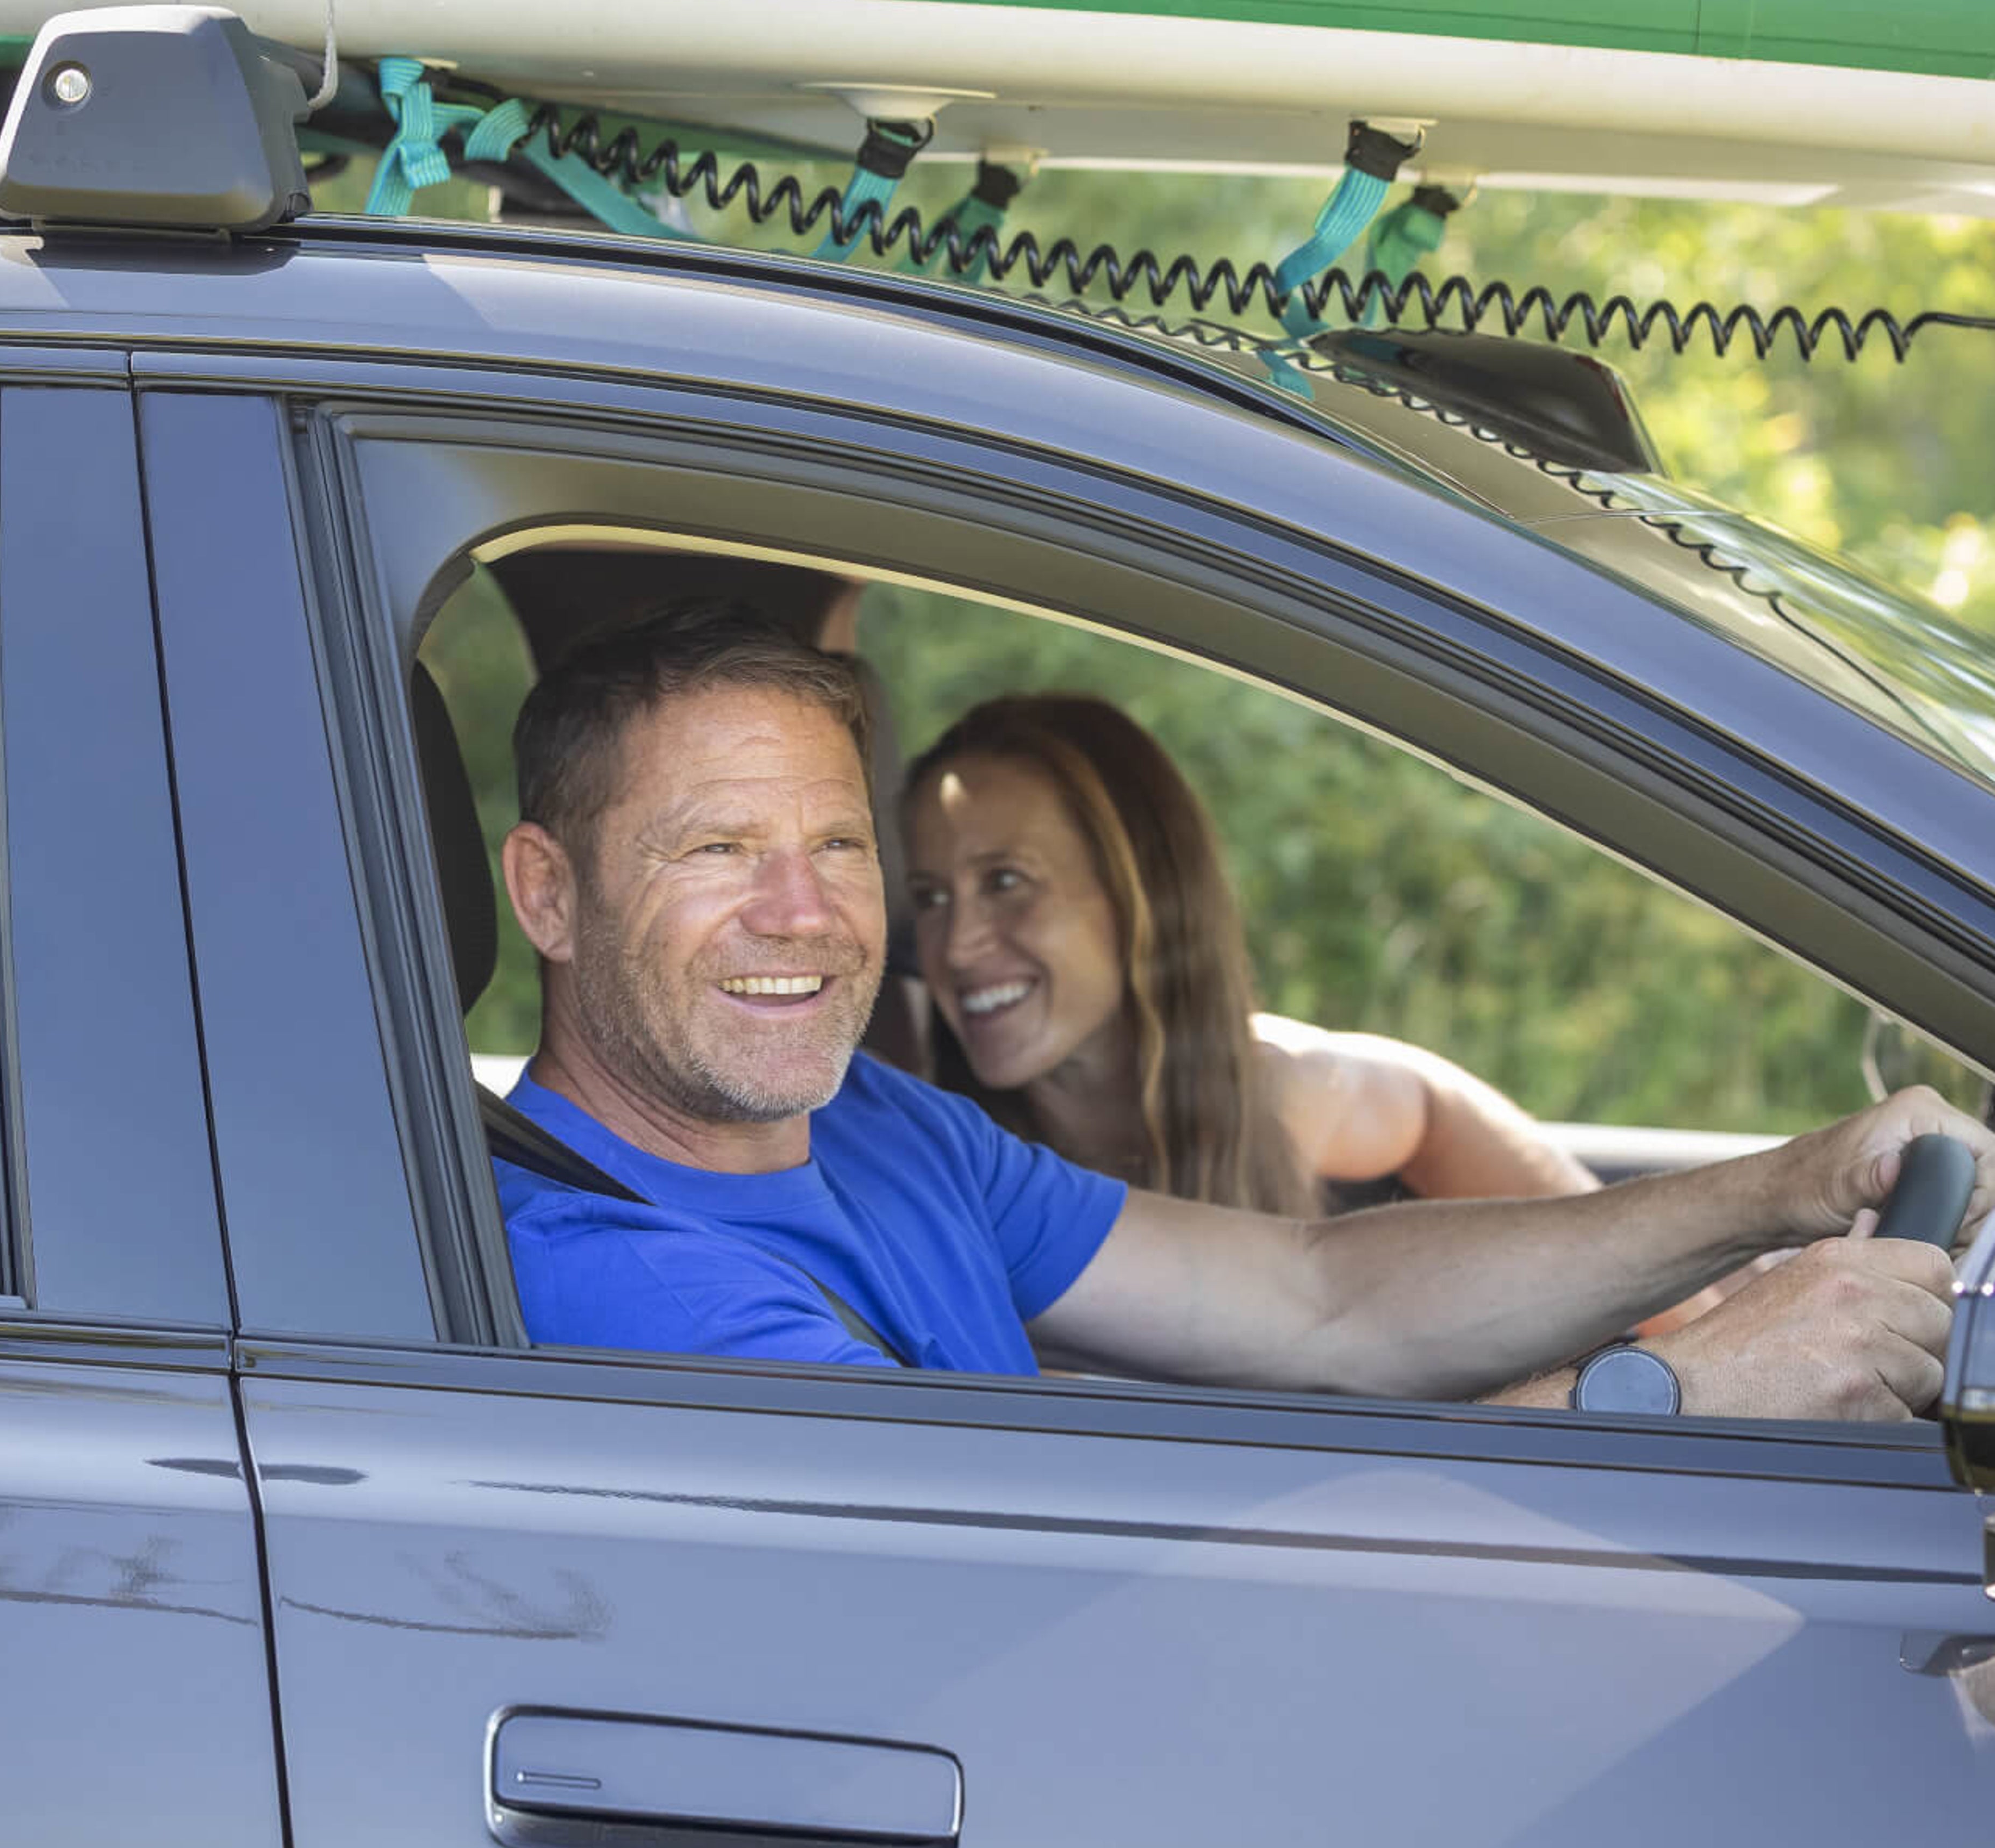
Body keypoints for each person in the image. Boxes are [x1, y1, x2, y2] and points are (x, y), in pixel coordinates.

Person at [493, 598, 1976, 1419]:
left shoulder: (871, 1123)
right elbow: (1139, 1595)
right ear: (548, 897)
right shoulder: (625, 1283)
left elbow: (1315, 1297)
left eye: (835, 847)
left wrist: (1782, 1189)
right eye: (716, 851)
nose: (804, 915)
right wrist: (1688, 1389)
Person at [899, 692, 1598, 1218]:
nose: (957, 945)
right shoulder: (924, 1163)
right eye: (930, 898)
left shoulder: (1283, 1093)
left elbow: (1430, 1108)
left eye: (1006, 882)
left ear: (1142, 889)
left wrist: (1696, 1360)